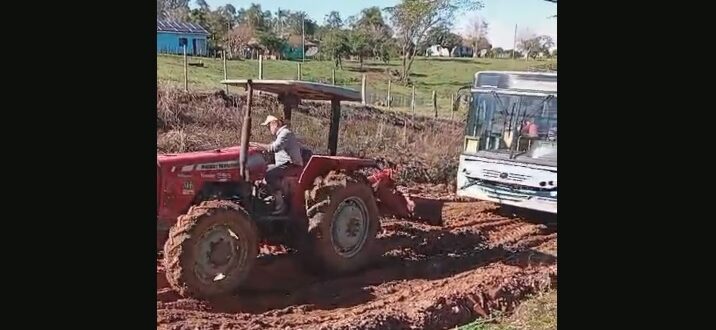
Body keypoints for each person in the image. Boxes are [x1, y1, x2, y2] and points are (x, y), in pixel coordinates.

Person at [251, 115, 304, 214]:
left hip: (291, 165)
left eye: (269, 125)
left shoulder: (285, 133)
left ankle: (280, 204)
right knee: (261, 170)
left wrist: (258, 146)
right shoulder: (281, 135)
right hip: (284, 164)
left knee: (268, 173)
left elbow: (274, 148)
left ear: (276, 124)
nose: (268, 128)